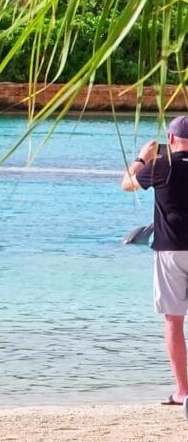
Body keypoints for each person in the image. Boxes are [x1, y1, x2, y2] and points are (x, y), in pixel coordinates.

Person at [122, 116, 188, 405]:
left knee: (174, 321)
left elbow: (126, 184)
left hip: (170, 250)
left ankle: (183, 391)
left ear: (170, 140)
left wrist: (141, 157)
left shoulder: (161, 165)